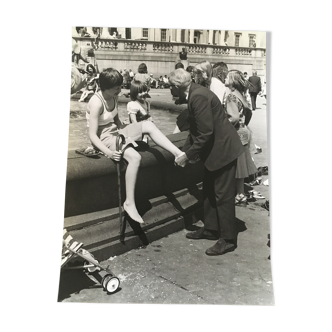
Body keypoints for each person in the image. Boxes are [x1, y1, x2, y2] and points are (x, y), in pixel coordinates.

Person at [87, 68, 185, 224]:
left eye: (120, 86)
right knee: (135, 157)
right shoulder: (96, 102)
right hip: (103, 137)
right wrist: (109, 153)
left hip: (115, 131)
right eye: (117, 87)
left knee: (147, 125)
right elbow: (92, 135)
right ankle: (129, 202)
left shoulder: (113, 96)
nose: (120, 90)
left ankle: (178, 153)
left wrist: (128, 129)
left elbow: (116, 119)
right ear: (105, 87)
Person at [170, 69, 245, 256]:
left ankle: (228, 239)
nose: (170, 90)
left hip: (223, 151)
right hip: (216, 152)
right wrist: (185, 151)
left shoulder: (198, 97)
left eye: (171, 86)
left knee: (223, 195)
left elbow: (205, 133)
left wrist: (187, 156)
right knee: (210, 190)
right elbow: (196, 130)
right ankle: (211, 229)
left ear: (177, 87)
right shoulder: (196, 93)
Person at [224, 70, 258, 206]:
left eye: (227, 77)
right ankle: (241, 193)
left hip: (236, 133)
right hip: (244, 132)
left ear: (232, 80)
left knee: (237, 165)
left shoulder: (231, 96)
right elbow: (248, 113)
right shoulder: (241, 94)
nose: (224, 78)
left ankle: (239, 195)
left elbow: (233, 117)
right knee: (241, 165)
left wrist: (222, 125)